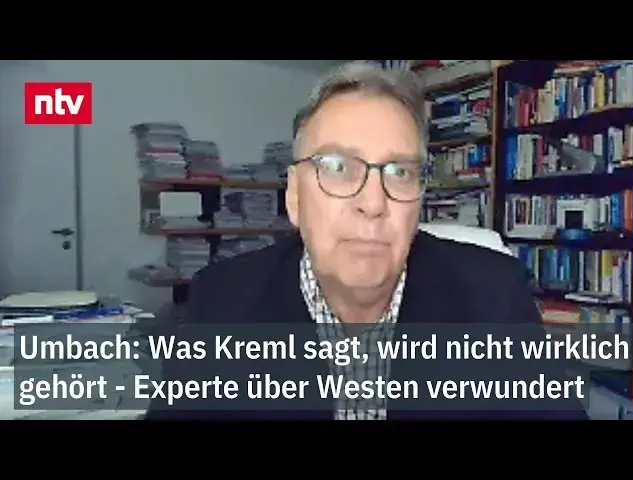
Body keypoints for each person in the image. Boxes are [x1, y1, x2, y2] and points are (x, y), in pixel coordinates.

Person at [146, 61, 588, 420]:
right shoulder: (221, 302)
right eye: (338, 168)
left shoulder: (495, 296)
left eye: (400, 172)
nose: (373, 202)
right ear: (295, 197)